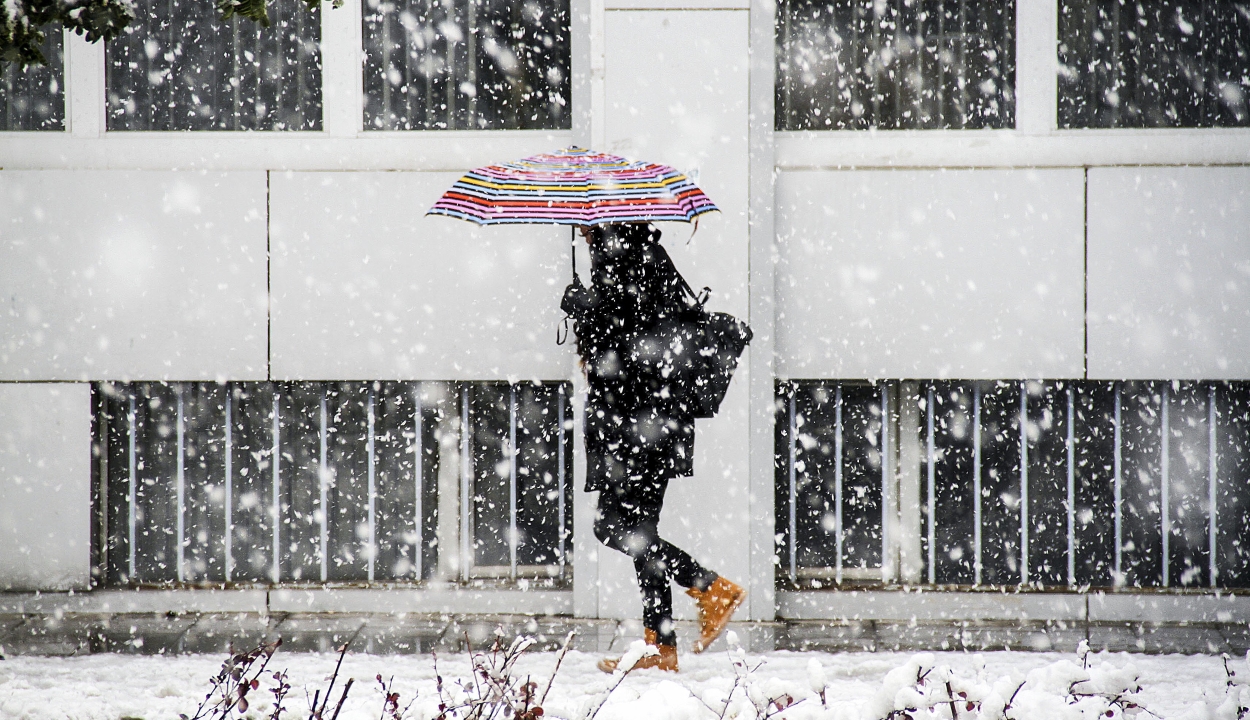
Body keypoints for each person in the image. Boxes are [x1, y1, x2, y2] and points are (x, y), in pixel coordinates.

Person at [560, 222, 745, 673]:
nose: (581, 230)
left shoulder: (628, 260)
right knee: (640, 529)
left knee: (613, 525)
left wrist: (585, 310)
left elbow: (634, 346)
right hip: (647, 420)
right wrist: (589, 311)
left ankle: (710, 588)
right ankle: (660, 648)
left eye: (587, 224)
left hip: (641, 423)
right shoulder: (636, 256)